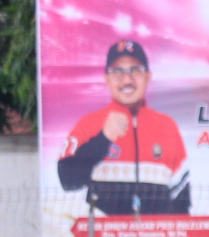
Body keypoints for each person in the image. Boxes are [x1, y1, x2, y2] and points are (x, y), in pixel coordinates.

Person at [56, 40, 191, 215]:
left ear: (148, 77)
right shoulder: (88, 124)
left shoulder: (168, 126)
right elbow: (67, 181)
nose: (127, 80)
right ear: (107, 79)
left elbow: (181, 194)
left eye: (136, 70)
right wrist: (104, 138)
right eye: (117, 72)